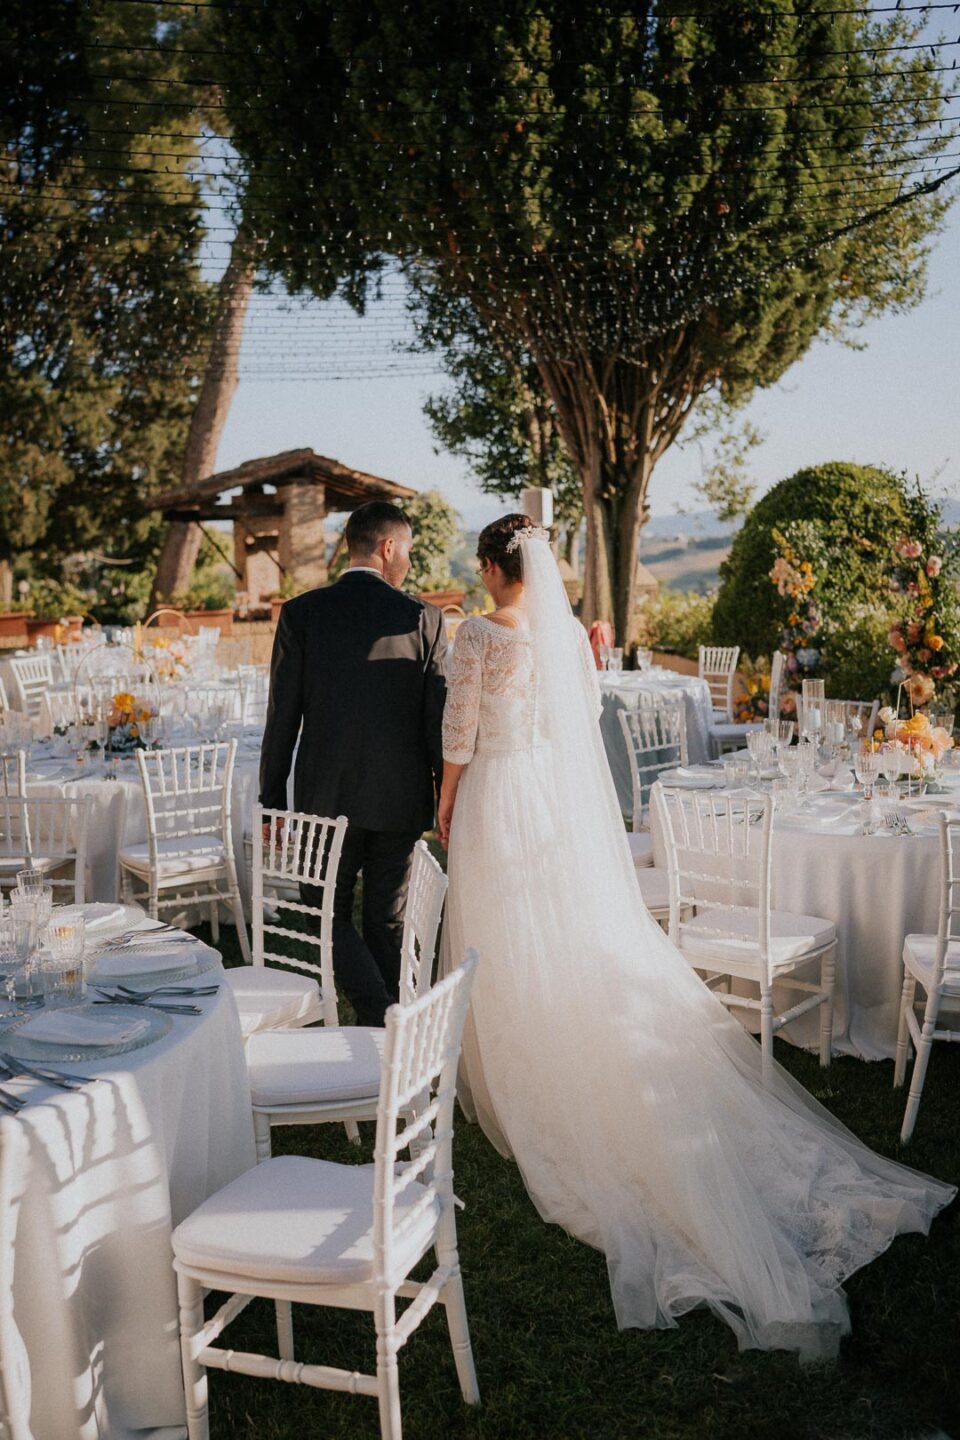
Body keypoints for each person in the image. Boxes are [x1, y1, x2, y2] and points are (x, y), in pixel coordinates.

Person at [439, 512, 954, 1360]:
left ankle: (528, 1058)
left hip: (499, 791)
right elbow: (586, 711)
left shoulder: (480, 634)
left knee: (505, 930)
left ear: (496, 566)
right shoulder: (566, 638)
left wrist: (449, 799)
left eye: (483, 564)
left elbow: (460, 729)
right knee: (558, 925)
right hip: (550, 798)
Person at [259, 499, 447, 1025]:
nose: (408, 560)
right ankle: (388, 1022)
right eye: (407, 549)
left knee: (323, 914)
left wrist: (271, 800)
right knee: (384, 920)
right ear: (388, 548)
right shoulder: (424, 618)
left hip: (326, 799)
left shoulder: (301, 613)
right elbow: (437, 723)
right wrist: (442, 798)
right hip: (401, 797)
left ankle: (379, 1018)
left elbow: (282, 719)